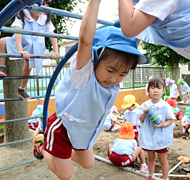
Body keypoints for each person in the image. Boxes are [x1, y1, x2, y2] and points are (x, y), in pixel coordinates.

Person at [31, 0, 148, 179]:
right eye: (110, 70)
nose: (114, 79)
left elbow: (134, 37)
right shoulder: (84, 74)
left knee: (88, 163)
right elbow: (85, 41)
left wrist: (139, 7)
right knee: (65, 175)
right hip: (63, 129)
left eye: (122, 74)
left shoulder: (114, 82)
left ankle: (59, 151)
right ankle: (41, 145)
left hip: (84, 133)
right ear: (96, 58)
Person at [0, 1, 59, 100]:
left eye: (44, 4)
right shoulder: (22, 13)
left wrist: (56, 51)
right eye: (37, 3)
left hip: (35, 47)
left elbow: (52, 35)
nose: (40, 7)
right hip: (19, 43)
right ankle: (2, 67)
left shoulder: (45, 17)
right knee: (2, 42)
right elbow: (17, 32)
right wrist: (20, 50)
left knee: (29, 66)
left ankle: (21, 89)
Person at [138, 76, 176, 180]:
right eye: (153, 88)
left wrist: (163, 124)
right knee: (151, 158)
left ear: (163, 90)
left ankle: (165, 177)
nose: (155, 91)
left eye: (159, 88)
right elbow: (141, 120)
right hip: (149, 136)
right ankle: (151, 175)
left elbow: (171, 120)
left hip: (161, 137)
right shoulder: (145, 105)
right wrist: (145, 113)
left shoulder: (165, 105)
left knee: (163, 159)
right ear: (148, 90)